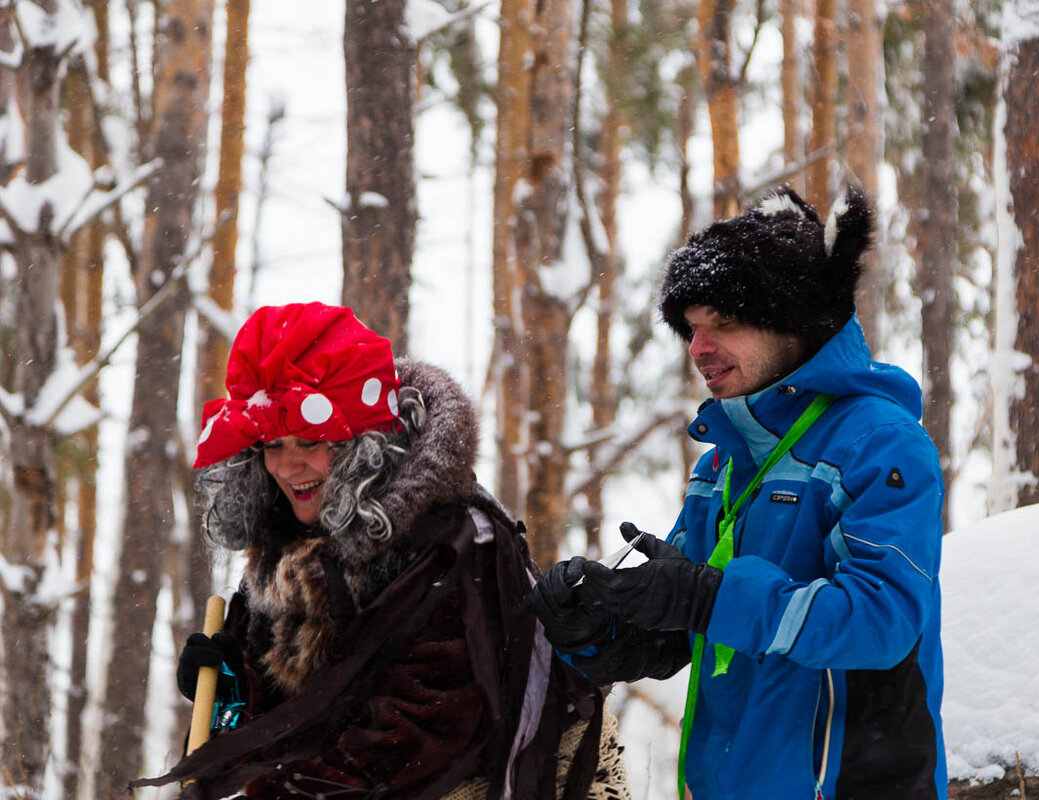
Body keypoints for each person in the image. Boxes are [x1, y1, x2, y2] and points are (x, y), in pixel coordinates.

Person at [532, 187, 947, 800]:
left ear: (796, 324)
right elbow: (686, 627)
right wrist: (597, 630)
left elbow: (880, 624)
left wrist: (704, 596)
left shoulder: (881, 445)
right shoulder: (722, 464)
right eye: (692, 327)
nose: (699, 348)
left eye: (724, 323)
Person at [137, 302, 630, 800]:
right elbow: (300, 712)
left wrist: (274, 787)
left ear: (362, 443)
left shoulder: (454, 544)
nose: (288, 467)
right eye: (271, 444)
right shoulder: (285, 538)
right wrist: (234, 694)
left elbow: (420, 734)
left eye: (311, 440)